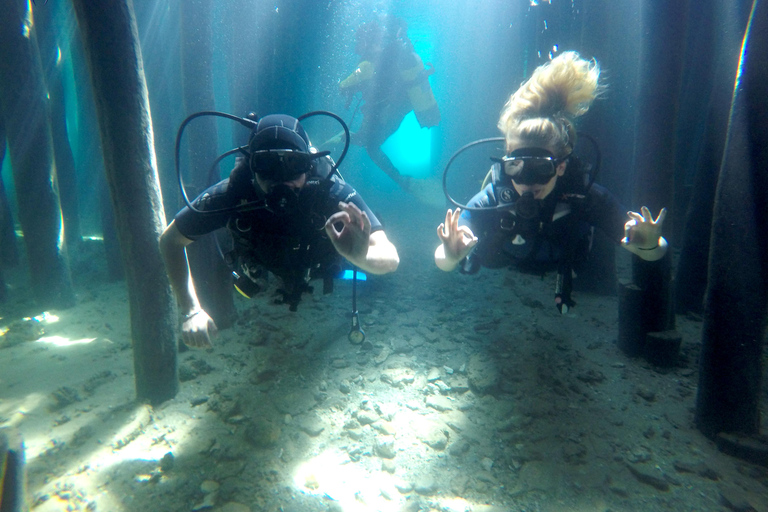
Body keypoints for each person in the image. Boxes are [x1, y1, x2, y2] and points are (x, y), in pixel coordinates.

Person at [434, 51, 667, 313]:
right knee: (482, 256)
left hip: (563, 260)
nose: (527, 182)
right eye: (516, 167)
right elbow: (443, 260)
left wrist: (650, 244)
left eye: (541, 168)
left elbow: (653, 251)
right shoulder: (494, 197)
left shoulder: (585, 196)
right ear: (505, 165)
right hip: (503, 257)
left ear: (561, 167)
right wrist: (451, 255)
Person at [160, 114, 400, 348]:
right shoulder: (232, 195)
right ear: (251, 167)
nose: (281, 180)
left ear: (309, 166)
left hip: (320, 263)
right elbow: (170, 240)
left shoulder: (331, 193)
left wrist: (361, 256)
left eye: (294, 165)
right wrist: (191, 310)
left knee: (364, 253)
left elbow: (390, 258)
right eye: (267, 166)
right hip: (264, 262)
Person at [335, 16, 440, 189]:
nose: (356, 46)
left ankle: (401, 180)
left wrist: (343, 86)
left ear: (366, 41)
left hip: (391, 110)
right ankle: (399, 178)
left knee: (370, 146)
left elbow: (349, 82)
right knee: (367, 141)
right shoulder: (383, 57)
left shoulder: (370, 62)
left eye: (358, 40)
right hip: (394, 109)